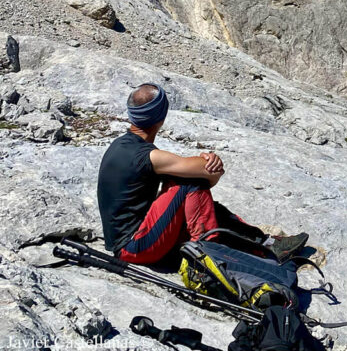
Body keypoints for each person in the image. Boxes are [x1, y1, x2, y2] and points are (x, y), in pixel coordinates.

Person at [97, 82, 306, 265]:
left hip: (132, 241)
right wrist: (212, 162)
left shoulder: (121, 146)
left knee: (193, 193)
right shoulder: (149, 156)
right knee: (192, 184)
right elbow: (207, 175)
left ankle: (263, 243)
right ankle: (208, 254)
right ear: (161, 117)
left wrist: (202, 167)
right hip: (134, 248)